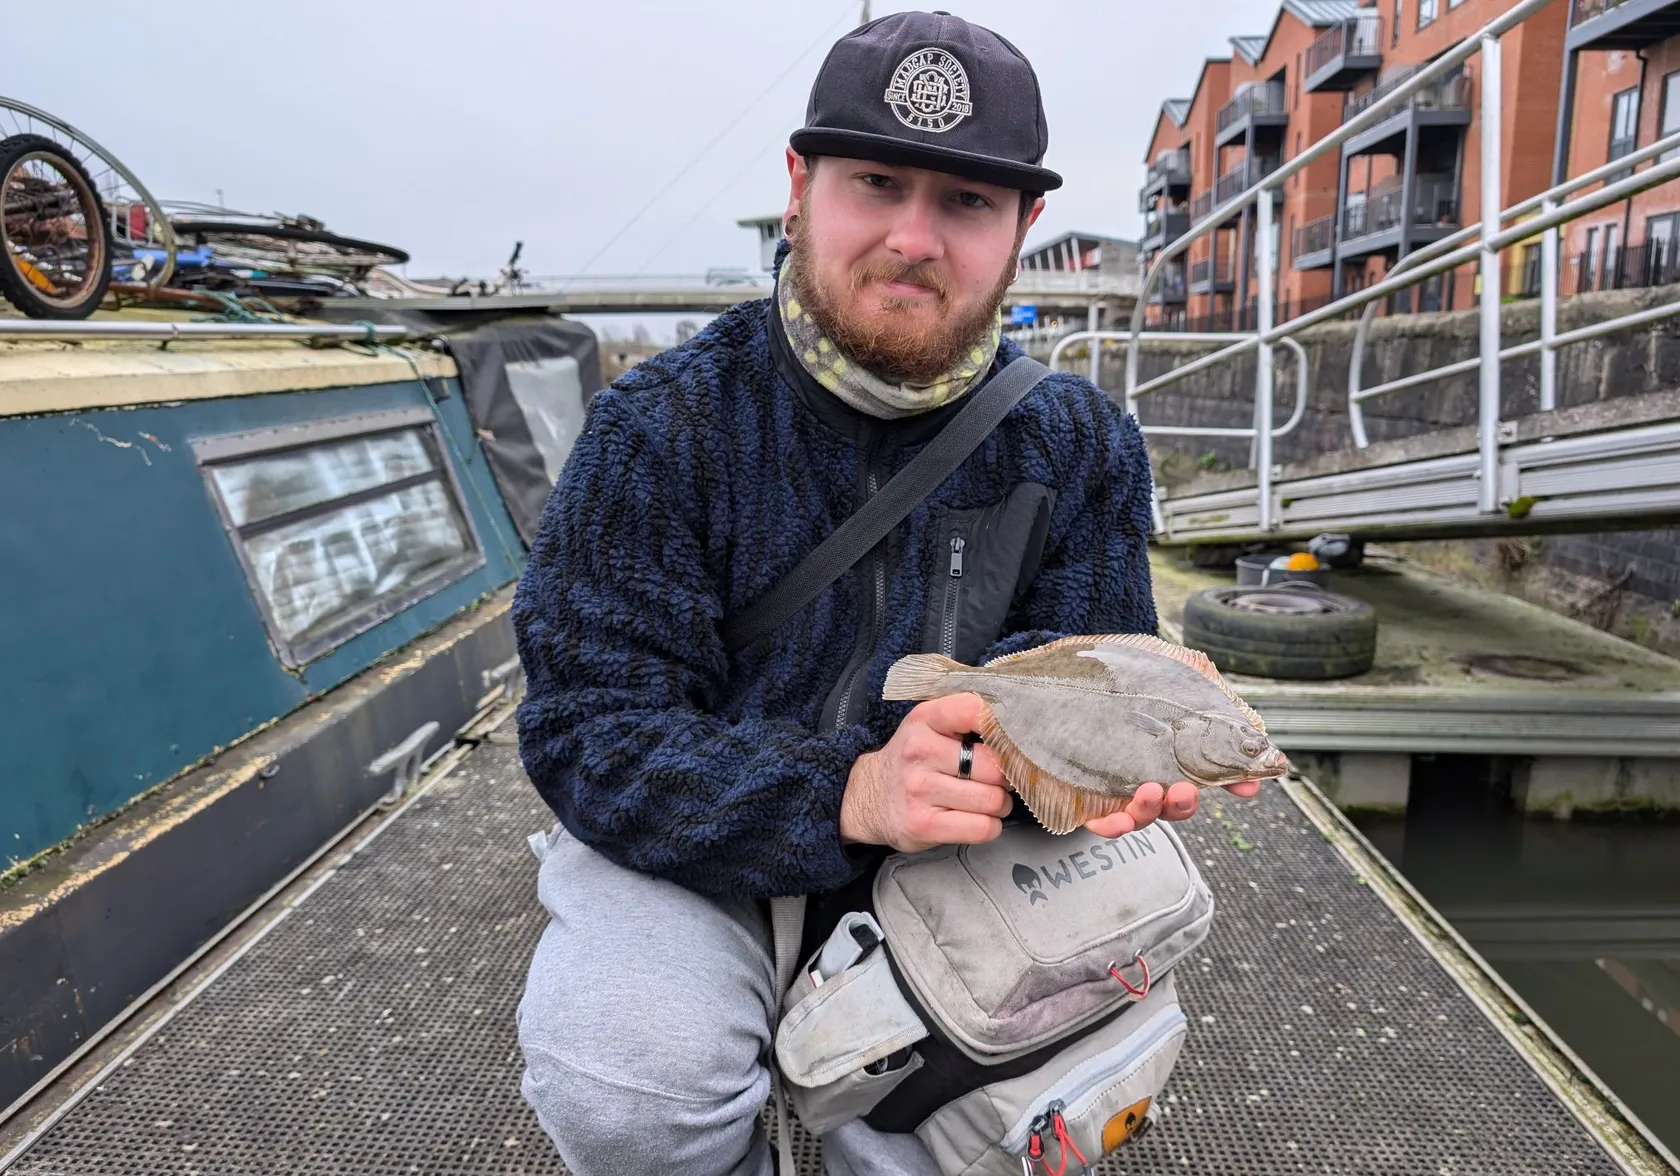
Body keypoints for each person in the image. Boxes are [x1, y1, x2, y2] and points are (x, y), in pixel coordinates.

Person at [511, 11, 1261, 1175]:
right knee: (629, 1091)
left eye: (966, 202)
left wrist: (1093, 773)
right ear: (803, 186)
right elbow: (588, 732)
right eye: (877, 183)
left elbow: (1092, 667)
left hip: (953, 855)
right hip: (703, 839)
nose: (916, 236)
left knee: (1004, 1107)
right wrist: (849, 791)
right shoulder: (657, 427)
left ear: (1024, 227)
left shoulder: (1081, 442)